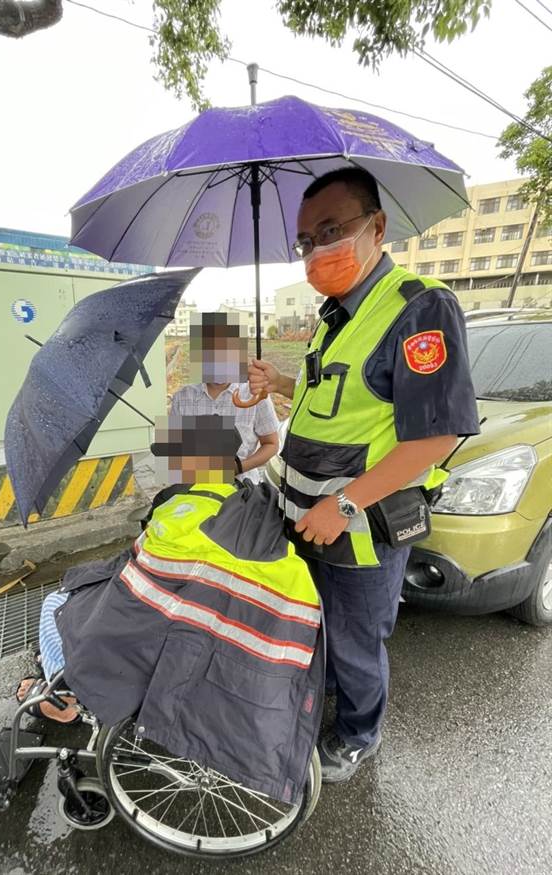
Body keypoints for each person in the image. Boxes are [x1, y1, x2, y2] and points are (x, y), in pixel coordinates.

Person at [249, 167, 480, 783]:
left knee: (355, 639)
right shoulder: (333, 315)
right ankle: (328, 706)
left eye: (331, 230)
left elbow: (437, 433)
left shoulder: (418, 308)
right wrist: (281, 384)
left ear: (376, 227)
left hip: (359, 524)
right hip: (306, 516)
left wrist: (344, 506)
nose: (315, 249)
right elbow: (348, 403)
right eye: (304, 240)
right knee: (316, 623)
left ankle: (358, 735)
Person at [15, 414, 324, 802]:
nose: (169, 467)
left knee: (55, 604)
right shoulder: (239, 496)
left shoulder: (181, 512)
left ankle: (65, 698)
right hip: (198, 609)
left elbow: (135, 592)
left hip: (151, 621)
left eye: (174, 458)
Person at [170, 311, 279, 483]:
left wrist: (238, 467)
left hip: (243, 489)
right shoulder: (182, 398)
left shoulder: (256, 396)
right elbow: (175, 453)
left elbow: (272, 444)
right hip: (194, 489)